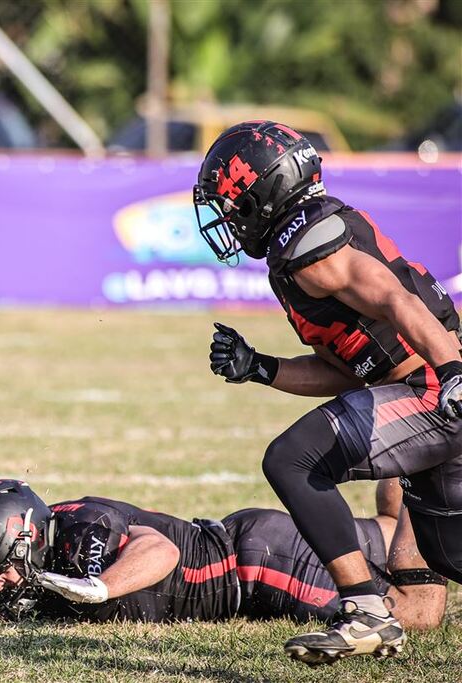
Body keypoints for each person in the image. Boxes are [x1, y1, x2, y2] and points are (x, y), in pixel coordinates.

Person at [192, 120, 461, 665]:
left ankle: (366, 610)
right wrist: (261, 367)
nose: (228, 216)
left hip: (432, 389)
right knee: (449, 552)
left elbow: (393, 298)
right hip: (416, 387)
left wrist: (454, 371)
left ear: (265, 191)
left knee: (293, 459)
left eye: (233, 201)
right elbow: (347, 370)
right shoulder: (302, 244)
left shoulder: (310, 245)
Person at [0, 479, 447, 637]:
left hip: (254, 563)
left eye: (2, 565)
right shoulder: (19, 564)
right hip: (254, 543)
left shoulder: (83, 526)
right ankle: (416, 457)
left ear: (26, 536)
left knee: (407, 612)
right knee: (392, 530)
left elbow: (159, 548)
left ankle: (426, 450)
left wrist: (101, 588)